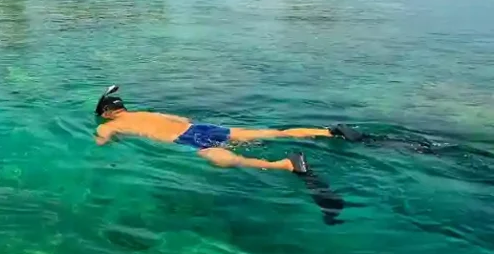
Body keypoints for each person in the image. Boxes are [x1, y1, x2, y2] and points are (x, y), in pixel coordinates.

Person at [94, 85, 362, 175]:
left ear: (107, 113)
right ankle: (328, 132)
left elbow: (101, 145)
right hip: (198, 126)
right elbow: (182, 116)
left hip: (183, 139)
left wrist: (105, 138)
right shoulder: (148, 112)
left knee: (219, 160)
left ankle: (286, 165)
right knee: (266, 133)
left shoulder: (113, 125)